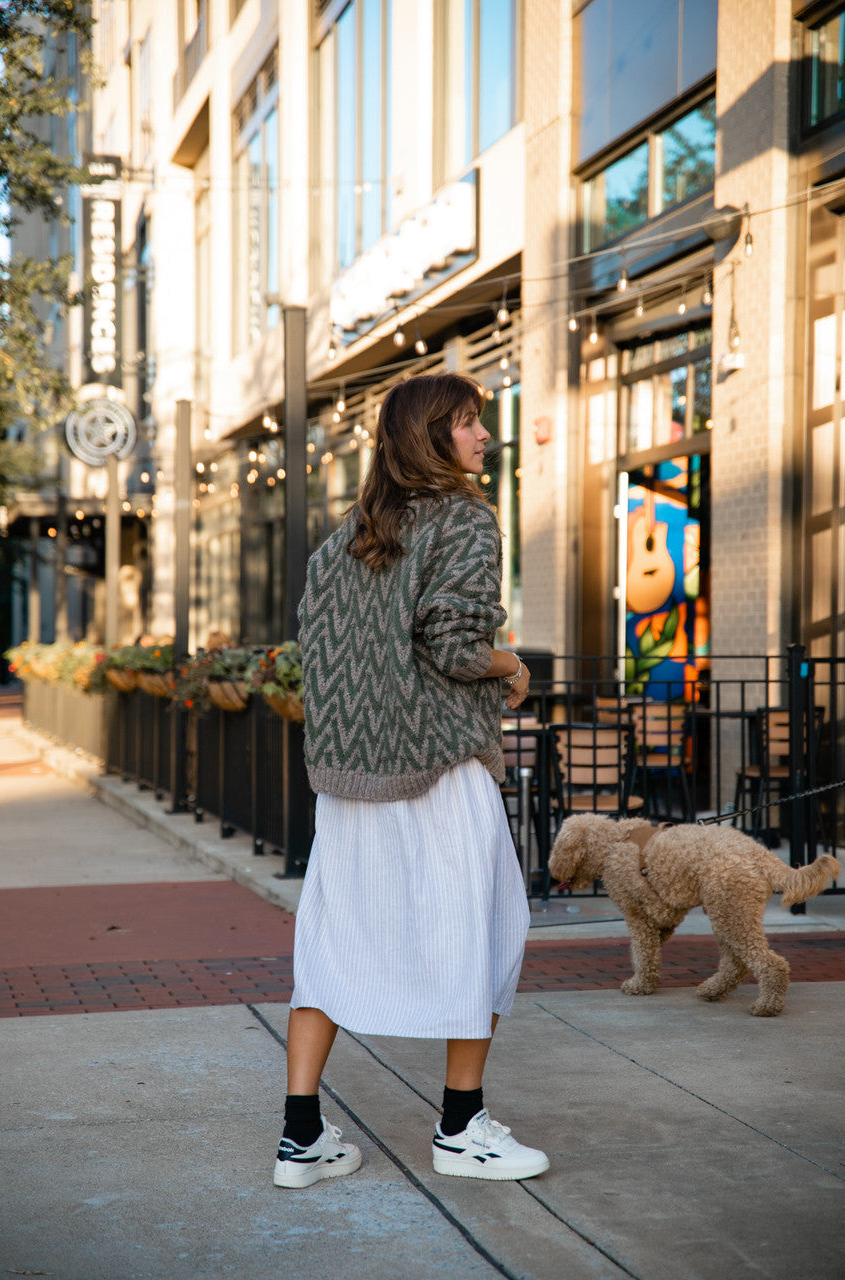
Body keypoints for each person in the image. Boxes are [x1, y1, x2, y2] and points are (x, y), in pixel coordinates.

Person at [274, 372, 549, 1189]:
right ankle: (461, 1127)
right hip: (434, 767)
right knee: (487, 928)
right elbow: (456, 644)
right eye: (466, 424)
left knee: (332, 941)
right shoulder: (464, 518)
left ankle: (300, 1137)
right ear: (431, 436)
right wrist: (512, 664)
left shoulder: (349, 535)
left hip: (352, 778)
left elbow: (315, 646)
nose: (482, 438)